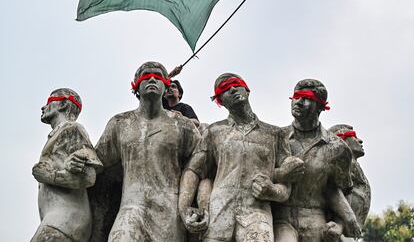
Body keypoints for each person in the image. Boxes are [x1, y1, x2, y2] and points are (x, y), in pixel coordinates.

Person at [93, 61, 201, 241]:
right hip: (131, 208)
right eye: (146, 75)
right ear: (136, 86)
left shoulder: (182, 124)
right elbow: (98, 162)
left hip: (170, 213)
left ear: (165, 86)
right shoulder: (120, 123)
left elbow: (201, 164)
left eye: (158, 76)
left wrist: (196, 203)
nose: (152, 78)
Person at [179, 73, 291, 242]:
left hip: (257, 215)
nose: (232, 89)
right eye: (224, 89)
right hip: (218, 214)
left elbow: (287, 183)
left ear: (247, 90)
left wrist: (272, 191)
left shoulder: (275, 134)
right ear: (220, 101)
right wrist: (185, 208)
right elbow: (194, 170)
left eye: (235, 84)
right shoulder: (214, 132)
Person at [272, 79, 357, 242]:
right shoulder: (276, 137)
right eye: (296, 96)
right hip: (280, 217)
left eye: (306, 98)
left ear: (320, 106)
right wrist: (281, 174)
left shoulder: (338, 148)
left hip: (315, 219)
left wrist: (340, 224)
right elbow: (260, 175)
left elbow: (343, 190)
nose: (298, 102)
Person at [31, 88, 102, 242]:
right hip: (55, 221)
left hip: (66, 221)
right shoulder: (58, 133)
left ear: (63, 104)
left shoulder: (72, 129)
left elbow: (89, 177)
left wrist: (49, 175)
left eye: (49, 101)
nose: (43, 107)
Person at [329, 125, 371, 242]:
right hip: (341, 226)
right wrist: (342, 223)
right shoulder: (346, 163)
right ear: (342, 141)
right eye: (354, 136)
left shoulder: (353, 164)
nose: (360, 140)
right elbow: (339, 192)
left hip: (348, 229)